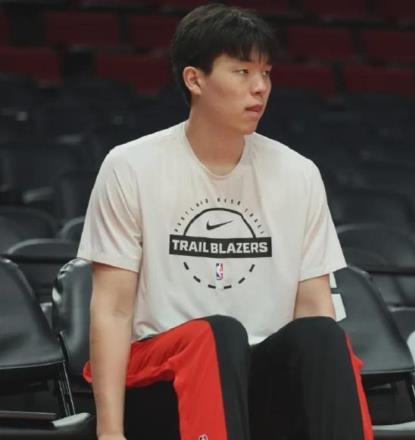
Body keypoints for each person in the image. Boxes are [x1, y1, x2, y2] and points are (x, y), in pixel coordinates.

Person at [78, 4, 373, 440]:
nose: (260, 87)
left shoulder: (299, 173)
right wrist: (110, 432)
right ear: (194, 79)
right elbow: (113, 309)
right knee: (218, 334)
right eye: (242, 72)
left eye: (266, 73)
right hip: (162, 380)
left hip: (257, 381)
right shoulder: (131, 166)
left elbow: (314, 308)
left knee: (322, 335)